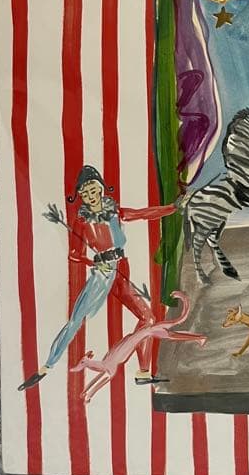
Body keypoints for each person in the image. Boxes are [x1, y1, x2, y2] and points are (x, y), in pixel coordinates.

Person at [19, 166, 179, 391]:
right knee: (76, 320)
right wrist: (94, 262)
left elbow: (143, 213)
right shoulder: (82, 221)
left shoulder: (115, 212)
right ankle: (47, 366)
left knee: (148, 319)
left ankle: (142, 372)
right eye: (85, 193)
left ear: (102, 189)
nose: (91, 196)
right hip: (102, 275)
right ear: (81, 196)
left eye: (94, 190)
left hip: (121, 272)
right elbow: (74, 254)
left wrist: (173, 208)